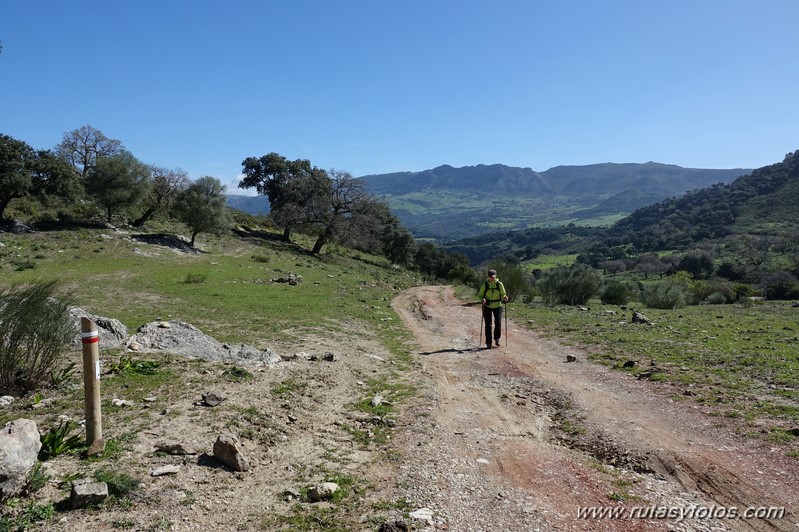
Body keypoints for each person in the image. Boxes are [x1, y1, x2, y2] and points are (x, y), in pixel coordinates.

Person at [477, 269, 508, 348]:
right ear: (488, 276)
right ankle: (488, 343)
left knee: (498, 323)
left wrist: (505, 297)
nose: (492, 278)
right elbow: (480, 295)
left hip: (498, 305)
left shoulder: (499, 284)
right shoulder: (485, 284)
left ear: (495, 276)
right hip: (487, 306)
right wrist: (482, 299)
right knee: (488, 324)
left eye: (493, 277)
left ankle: (497, 338)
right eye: (491, 277)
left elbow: (503, 293)